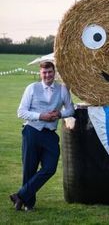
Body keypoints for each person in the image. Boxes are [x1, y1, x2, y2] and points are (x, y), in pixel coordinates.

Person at [10, 61, 74, 212]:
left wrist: (60, 114)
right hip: (31, 131)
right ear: (40, 73)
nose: (47, 75)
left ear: (54, 72)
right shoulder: (32, 88)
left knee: (50, 167)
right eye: (44, 72)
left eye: (50, 72)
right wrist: (40, 116)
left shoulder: (62, 89)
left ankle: (20, 195)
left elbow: (71, 109)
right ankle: (27, 204)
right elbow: (21, 112)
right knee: (29, 168)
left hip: (50, 134)